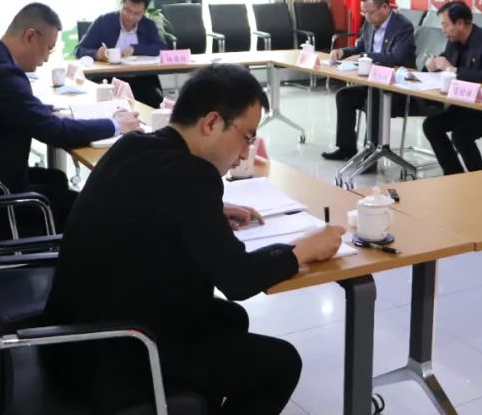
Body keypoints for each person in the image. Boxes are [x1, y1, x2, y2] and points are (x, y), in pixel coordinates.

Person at [45, 64, 344, 414]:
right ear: (212, 122)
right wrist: (303, 250)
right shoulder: (193, 176)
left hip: (73, 337)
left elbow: (150, 203)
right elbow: (238, 278)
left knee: (230, 319)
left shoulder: (134, 145)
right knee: (281, 363)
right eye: (247, 137)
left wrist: (210, 213)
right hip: (119, 355)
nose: (245, 153)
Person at [0, 3, 139, 231]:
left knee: (56, 179)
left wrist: (43, 112)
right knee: (88, 210)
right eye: (49, 48)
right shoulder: (1, 74)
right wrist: (115, 124)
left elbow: (17, 109)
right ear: (30, 36)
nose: (46, 59)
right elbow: (55, 132)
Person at [321, 0, 417, 163]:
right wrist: (343, 52)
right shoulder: (368, 24)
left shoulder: (403, 27)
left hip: (397, 88)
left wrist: (365, 56)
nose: (366, 17)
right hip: (374, 83)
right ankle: (346, 148)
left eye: (370, 12)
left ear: (385, 8)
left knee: (374, 101)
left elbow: (397, 57)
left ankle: (370, 156)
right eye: (363, 12)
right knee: (344, 96)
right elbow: (360, 48)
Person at [420, 0, 482, 175]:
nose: (442, 29)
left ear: (459, 23)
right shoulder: (453, 40)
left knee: (461, 134)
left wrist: (454, 70)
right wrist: (431, 65)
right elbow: (444, 61)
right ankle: (453, 174)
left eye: (445, 24)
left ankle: (477, 180)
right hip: (462, 106)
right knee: (431, 125)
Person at [75, 0, 167, 106]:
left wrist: (136, 48)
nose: (131, 16)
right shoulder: (103, 22)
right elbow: (79, 50)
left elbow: (161, 48)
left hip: (142, 80)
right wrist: (96, 54)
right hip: (109, 79)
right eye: (127, 10)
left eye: (137, 14)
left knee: (156, 103)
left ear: (144, 12)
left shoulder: (148, 25)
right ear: (121, 4)